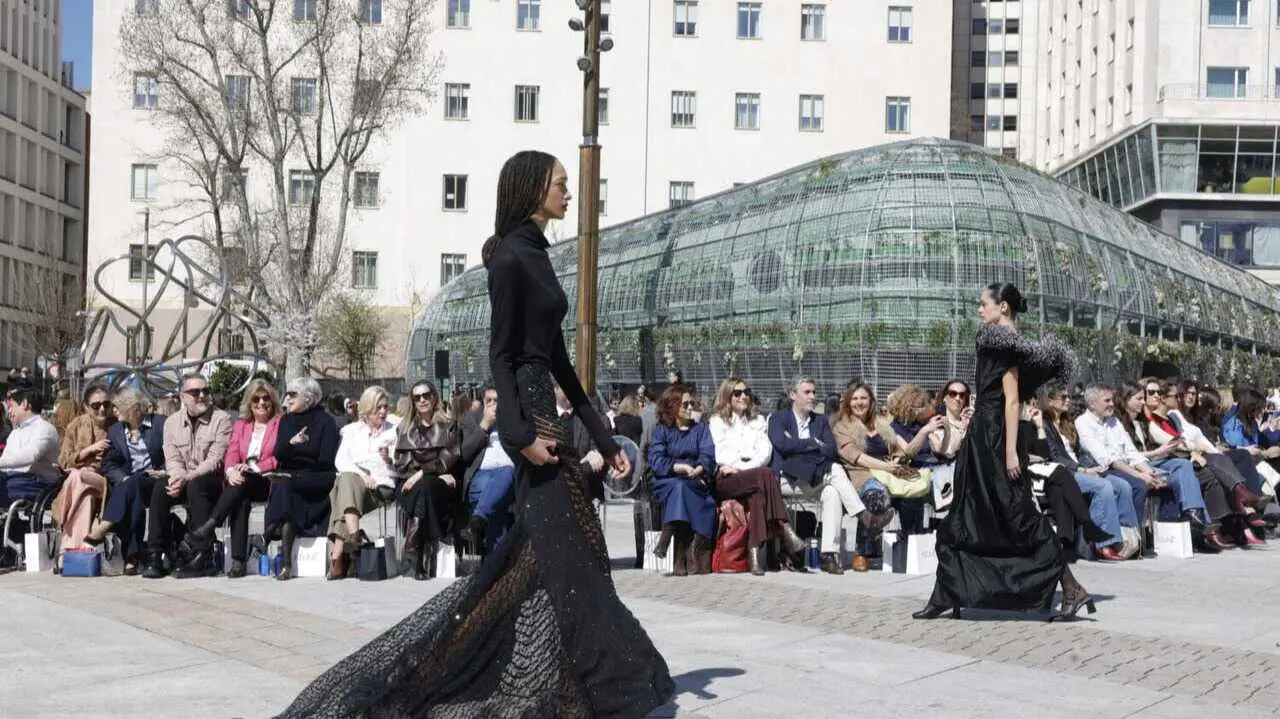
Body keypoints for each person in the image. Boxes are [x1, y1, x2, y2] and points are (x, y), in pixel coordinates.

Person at [276, 150, 673, 717]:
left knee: (551, 562)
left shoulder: (538, 254)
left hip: (549, 425)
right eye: (562, 183)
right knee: (564, 562)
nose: (569, 191)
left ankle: (568, 676)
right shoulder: (511, 259)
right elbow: (501, 357)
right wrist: (518, 440)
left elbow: (561, 366)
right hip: (533, 431)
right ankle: (479, 674)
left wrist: (607, 445)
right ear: (535, 188)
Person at [914, 283, 1094, 622]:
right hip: (983, 435)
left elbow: (1012, 401)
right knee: (966, 512)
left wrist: (1010, 452)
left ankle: (1071, 588)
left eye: (984, 304)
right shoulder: (997, 340)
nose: (979, 310)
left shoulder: (1001, 343)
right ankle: (947, 592)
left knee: (1017, 516)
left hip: (996, 438)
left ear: (1004, 308)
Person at [181, 379, 283, 577]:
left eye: (266, 398)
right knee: (239, 497)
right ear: (249, 402)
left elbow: (279, 456)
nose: (261, 403)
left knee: (241, 483)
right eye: (256, 399)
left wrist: (254, 467)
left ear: (272, 401)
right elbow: (232, 453)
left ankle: (209, 526)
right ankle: (238, 562)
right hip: (242, 480)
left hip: (266, 478)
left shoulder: (279, 423)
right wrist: (230, 471)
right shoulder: (242, 425)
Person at [707, 377, 806, 575]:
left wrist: (749, 468)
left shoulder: (758, 421)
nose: (743, 396)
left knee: (758, 493)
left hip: (751, 475)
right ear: (727, 396)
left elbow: (765, 450)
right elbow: (722, 454)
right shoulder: (717, 421)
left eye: (746, 392)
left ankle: (754, 558)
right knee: (766, 474)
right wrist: (744, 468)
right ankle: (783, 527)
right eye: (737, 393)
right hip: (728, 478)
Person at [85, 388, 166, 574]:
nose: (114, 411)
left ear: (135, 409)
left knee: (134, 484)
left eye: (118, 407)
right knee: (133, 490)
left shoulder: (159, 424)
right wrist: (124, 478)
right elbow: (109, 463)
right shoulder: (116, 431)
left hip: (157, 480)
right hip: (133, 483)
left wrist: (165, 470)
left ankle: (106, 525)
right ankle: (133, 557)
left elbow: (173, 450)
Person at [266, 377, 340, 580]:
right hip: (292, 475)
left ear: (308, 398)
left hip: (319, 476)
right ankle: (287, 562)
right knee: (285, 484)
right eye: (287, 393)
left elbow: (326, 458)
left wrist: (300, 452)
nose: (287, 399)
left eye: (292, 394)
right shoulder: (286, 420)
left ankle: (273, 529)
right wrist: (292, 443)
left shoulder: (325, 421)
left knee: (287, 484)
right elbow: (279, 453)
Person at [328, 385, 399, 580]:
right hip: (357, 484)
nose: (383, 412)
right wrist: (363, 475)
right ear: (367, 410)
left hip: (382, 485)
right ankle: (353, 536)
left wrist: (388, 461)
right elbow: (341, 461)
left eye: (385, 407)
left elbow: (399, 468)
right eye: (379, 408)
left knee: (340, 490)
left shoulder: (393, 432)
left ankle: (339, 556)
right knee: (346, 478)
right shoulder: (352, 431)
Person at [394, 380, 462, 578]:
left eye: (426, 395)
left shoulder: (449, 426)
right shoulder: (404, 429)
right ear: (412, 402)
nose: (422, 400)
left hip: (438, 486)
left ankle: (414, 546)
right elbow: (402, 466)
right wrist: (420, 475)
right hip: (411, 487)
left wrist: (420, 473)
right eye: (417, 397)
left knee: (426, 486)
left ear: (434, 397)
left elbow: (447, 461)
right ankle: (420, 550)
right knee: (423, 490)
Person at [648, 384, 718, 576]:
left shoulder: (701, 429)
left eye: (691, 403)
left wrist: (699, 467)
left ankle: (668, 539)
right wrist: (677, 467)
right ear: (672, 407)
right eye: (684, 404)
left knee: (682, 488)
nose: (690, 408)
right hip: (668, 479)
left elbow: (708, 453)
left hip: (694, 480)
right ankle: (677, 554)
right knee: (678, 486)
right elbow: (655, 459)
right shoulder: (663, 430)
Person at [53, 384, 114, 567]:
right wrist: (88, 451)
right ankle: (73, 550)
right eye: (96, 405)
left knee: (76, 477)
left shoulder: (117, 426)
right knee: (84, 494)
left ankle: (66, 548)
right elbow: (64, 461)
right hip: (81, 483)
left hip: (105, 481)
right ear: (86, 407)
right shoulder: (76, 426)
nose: (102, 408)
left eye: (106, 404)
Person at [457, 384, 514, 556]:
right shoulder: (470, 419)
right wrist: (484, 426)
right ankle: (498, 568)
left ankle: (477, 520)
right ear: (483, 402)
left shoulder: (513, 419)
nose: (492, 405)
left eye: (496, 401)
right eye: (488, 401)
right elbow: (465, 454)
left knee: (506, 473)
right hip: (479, 477)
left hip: (509, 479)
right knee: (497, 494)